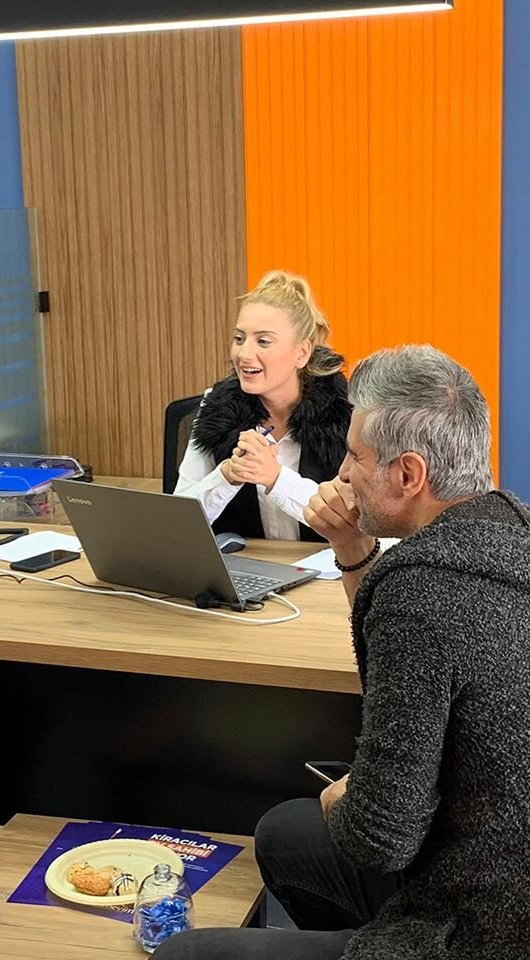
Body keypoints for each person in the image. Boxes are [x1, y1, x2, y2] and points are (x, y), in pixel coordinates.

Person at [154, 345, 530, 960]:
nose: (344, 473)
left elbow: (379, 837)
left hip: (482, 930)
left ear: (409, 475)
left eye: (356, 456)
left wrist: (341, 800)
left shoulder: (422, 590)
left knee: (181, 954)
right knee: (286, 832)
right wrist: (352, 548)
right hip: (491, 860)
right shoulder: (511, 528)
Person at [174, 270, 350, 541]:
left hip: (327, 567)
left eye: (263, 341)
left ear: (302, 352)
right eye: (239, 338)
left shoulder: (349, 414)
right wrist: (227, 476)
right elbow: (178, 521)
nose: (244, 354)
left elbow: (356, 523)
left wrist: (276, 478)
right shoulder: (216, 409)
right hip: (246, 565)